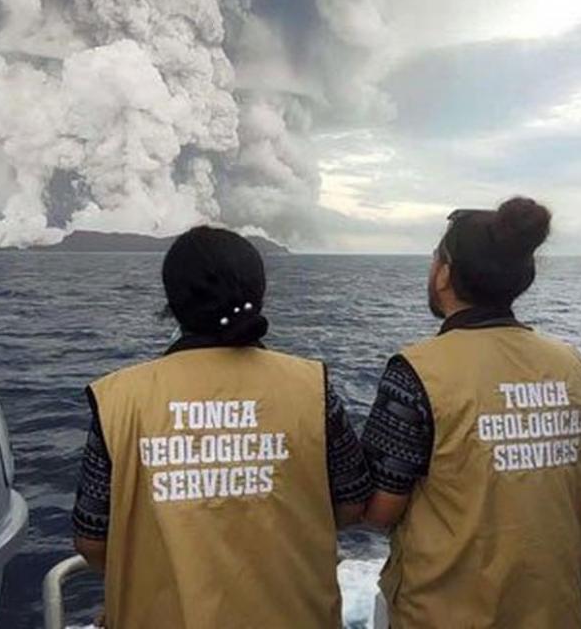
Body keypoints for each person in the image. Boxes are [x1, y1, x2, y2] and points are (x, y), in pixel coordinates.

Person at [71, 226, 371, 628]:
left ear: (172, 302)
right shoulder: (311, 388)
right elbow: (352, 504)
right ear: (259, 292)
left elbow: (92, 540)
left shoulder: (120, 399)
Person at [361, 197, 581, 628]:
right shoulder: (575, 365)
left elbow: (380, 509)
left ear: (445, 274)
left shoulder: (418, 371)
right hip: (554, 610)